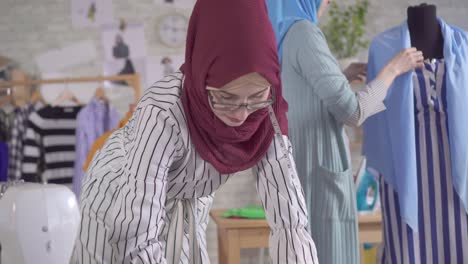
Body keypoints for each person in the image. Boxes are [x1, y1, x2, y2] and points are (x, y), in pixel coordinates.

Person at [71, 0, 319, 263]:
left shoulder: (267, 110)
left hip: (188, 198)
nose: (242, 114)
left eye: (256, 96)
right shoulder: (162, 111)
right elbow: (137, 237)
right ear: (203, 77)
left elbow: (291, 221)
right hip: (119, 194)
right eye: (225, 97)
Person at [265, 1, 424, 263]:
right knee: (328, 252)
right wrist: (394, 69)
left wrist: (341, 75)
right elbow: (353, 112)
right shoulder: (305, 32)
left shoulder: (279, 36)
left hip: (295, 167)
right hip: (318, 172)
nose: (325, 5)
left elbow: (302, 94)